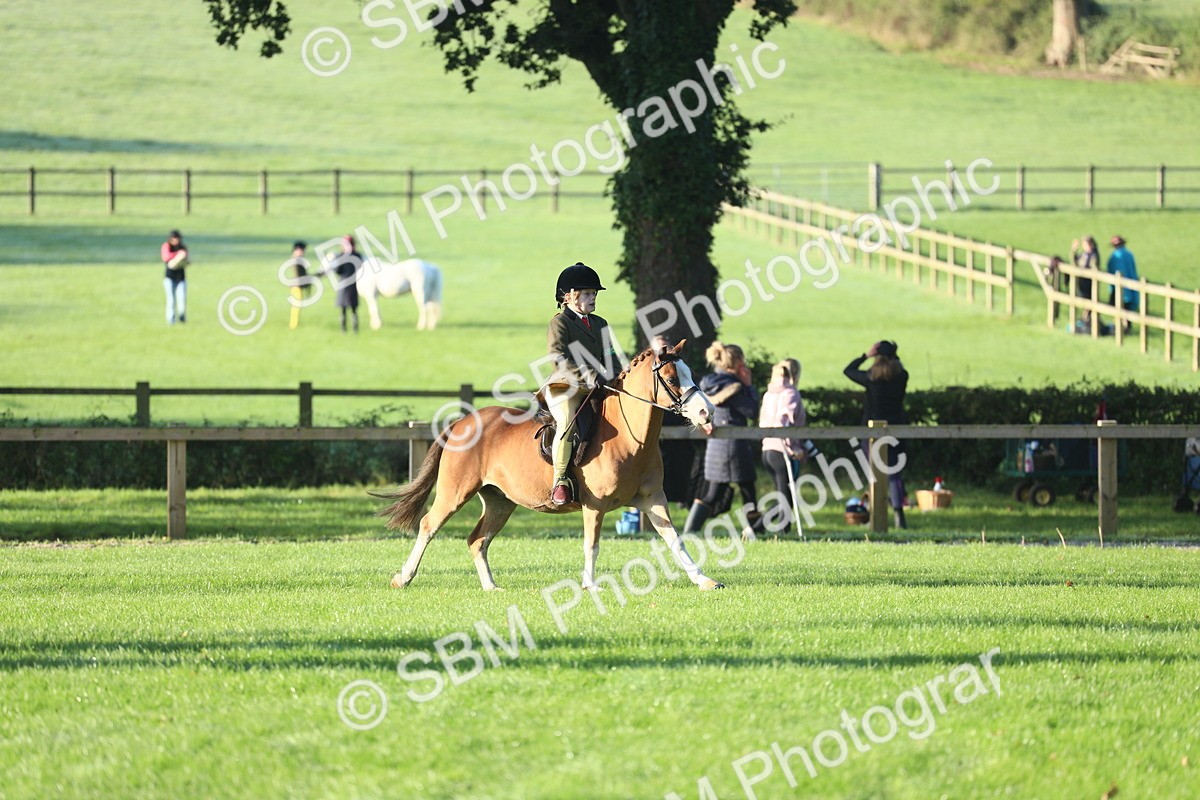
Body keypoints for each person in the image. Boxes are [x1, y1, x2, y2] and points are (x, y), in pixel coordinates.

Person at [543, 262, 612, 505]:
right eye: (587, 294)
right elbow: (558, 357)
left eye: (594, 294)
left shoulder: (601, 323)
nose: (593, 298)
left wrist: (618, 375)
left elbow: (611, 355)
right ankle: (560, 480)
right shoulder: (560, 323)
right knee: (567, 422)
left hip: (598, 386)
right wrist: (590, 375)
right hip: (565, 386)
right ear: (570, 296)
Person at [683, 342, 763, 537]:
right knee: (746, 488)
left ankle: (690, 530)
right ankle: (757, 530)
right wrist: (749, 385)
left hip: (716, 445)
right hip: (734, 444)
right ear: (737, 362)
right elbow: (751, 411)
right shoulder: (733, 386)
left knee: (714, 492)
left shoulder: (707, 382)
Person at [843, 340, 910, 530]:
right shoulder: (902, 376)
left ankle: (876, 512)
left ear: (877, 357)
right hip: (896, 429)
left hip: (871, 431)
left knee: (874, 472)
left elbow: (848, 370)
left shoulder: (871, 377)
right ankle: (899, 515)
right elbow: (898, 366)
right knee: (894, 474)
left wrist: (865, 356)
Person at [758, 361, 805, 535]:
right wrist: (792, 448)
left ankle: (784, 531)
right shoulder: (791, 393)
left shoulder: (768, 394)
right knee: (786, 497)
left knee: (784, 494)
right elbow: (782, 423)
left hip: (767, 449)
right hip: (782, 450)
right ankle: (756, 528)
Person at [1107, 235, 1140, 333]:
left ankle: (1119, 326)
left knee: (1118, 306)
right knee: (1127, 307)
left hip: (1118, 286)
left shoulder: (1115, 256)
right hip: (1130, 285)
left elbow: (1111, 269)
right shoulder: (1129, 254)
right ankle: (1127, 326)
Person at [332, 235, 361, 333]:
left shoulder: (357, 256)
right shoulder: (340, 256)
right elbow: (337, 270)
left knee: (354, 309)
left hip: (353, 285)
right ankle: (343, 329)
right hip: (343, 285)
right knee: (343, 309)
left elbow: (359, 267)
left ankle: (355, 329)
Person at [160, 229, 189, 325]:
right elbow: (166, 258)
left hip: (181, 277)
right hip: (169, 277)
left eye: (178, 238)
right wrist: (178, 256)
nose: (176, 240)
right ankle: (171, 320)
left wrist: (181, 259)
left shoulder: (183, 247)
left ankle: (182, 316)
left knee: (182, 298)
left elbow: (186, 260)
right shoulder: (167, 246)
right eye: (174, 238)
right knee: (171, 300)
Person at [283, 241, 313, 330]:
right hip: (297, 286)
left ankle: (294, 324)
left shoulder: (297, 259)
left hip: (296, 285)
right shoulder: (297, 260)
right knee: (296, 306)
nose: (304, 252)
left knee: (296, 306)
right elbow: (300, 274)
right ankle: (293, 325)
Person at [1069, 235, 1098, 325]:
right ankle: (1085, 319)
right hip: (1082, 281)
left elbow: (1094, 267)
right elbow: (1074, 262)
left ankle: (1088, 320)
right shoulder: (1083, 255)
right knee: (1084, 300)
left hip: (1089, 282)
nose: (1084, 247)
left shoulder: (1094, 256)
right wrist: (1074, 251)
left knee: (1089, 300)